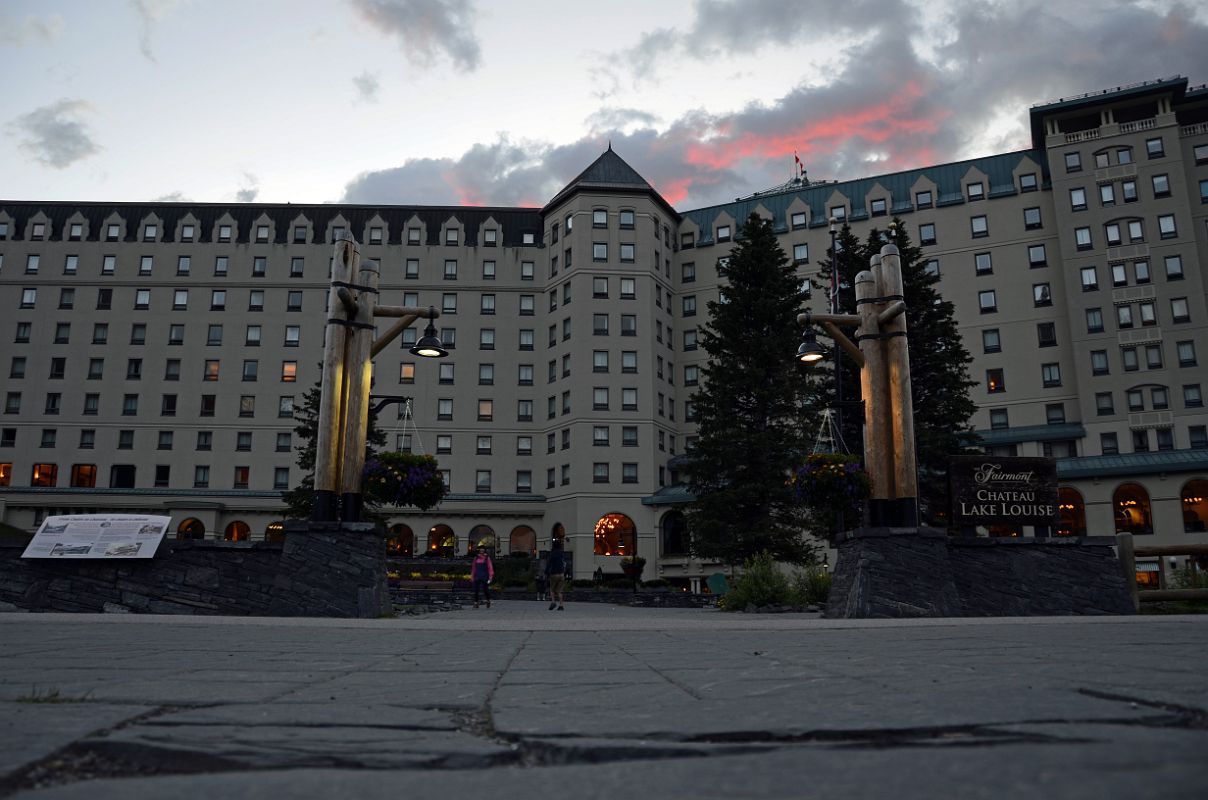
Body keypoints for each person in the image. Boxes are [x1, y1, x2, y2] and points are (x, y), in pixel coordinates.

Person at [545, 540, 567, 611]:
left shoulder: (552, 554)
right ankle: (561, 605)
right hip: (561, 574)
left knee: (552, 589)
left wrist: (546, 571)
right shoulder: (561, 554)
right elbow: (564, 563)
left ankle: (553, 602)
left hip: (554, 574)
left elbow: (549, 563)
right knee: (560, 591)